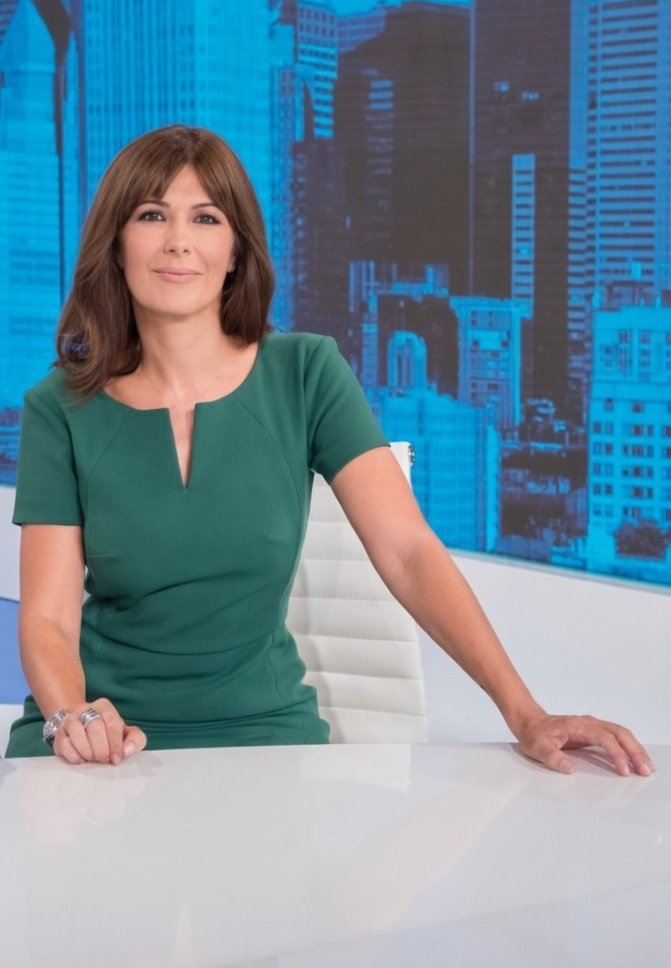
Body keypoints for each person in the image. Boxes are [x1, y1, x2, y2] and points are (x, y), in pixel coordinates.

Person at [6, 125, 654, 777]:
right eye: (152, 215)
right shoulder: (60, 406)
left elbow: (408, 552)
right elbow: (49, 618)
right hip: (95, 734)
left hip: (259, 734)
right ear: (116, 245)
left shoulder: (305, 370)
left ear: (235, 251)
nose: (178, 240)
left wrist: (525, 713)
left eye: (205, 217)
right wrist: (72, 716)